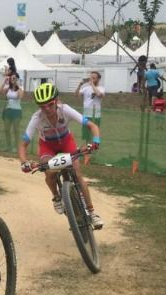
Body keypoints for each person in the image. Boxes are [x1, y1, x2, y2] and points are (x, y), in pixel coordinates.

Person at [18, 83, 104, 229]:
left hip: (66, 142)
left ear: (56, 101)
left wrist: (95, 141)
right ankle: (56, 197)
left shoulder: (65, 110)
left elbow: (92, 126)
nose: (46, 109)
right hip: (48, 146)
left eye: (50, 105)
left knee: (77, 174)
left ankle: (91, 212)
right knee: (49, 172)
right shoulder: (37, 118)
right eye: (42, 106)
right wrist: (24, 162)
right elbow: (23, 144)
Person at [75, 71, 105, 144]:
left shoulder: (101, 88)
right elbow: (76, 95)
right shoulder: (86, 88)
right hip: (86, 114)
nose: (91, 79)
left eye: (94, 78)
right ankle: (88, 149)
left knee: (94, 132)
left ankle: (93, 147)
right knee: (87, 134)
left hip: (95, 114)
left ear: (98, 79)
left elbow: (99, 94)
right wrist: (79, 85)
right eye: (91, 77)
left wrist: (92, 84)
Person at [0, 73, 23, 151]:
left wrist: (17, 85)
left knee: (16, 129)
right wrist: (4, 82)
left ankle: (17, 147)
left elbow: (20, 96)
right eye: (12, 78)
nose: (13, 80)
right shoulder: (8, 88)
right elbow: (0, 92)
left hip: (17, 110)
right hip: (8, 110)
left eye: (15, 78)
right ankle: (8, 146)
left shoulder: (20, 88)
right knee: (7, 129)